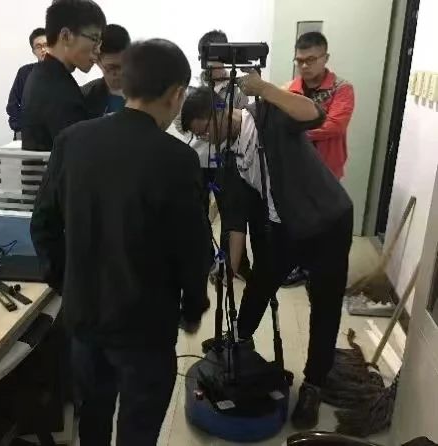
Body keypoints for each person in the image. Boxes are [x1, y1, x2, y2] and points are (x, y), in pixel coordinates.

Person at [30, 39, 211, 445]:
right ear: (176, 93)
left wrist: (66, 283)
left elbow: (43, 224)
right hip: (144, 327)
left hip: (84, 318)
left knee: (92, 420)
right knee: (138, 429)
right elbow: (193, 249)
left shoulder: (72, 140)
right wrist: (192, 307)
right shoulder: (176, 158)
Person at [180, 75, 353, 430]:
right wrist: (229, 267)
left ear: (220, 110)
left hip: (326, 221)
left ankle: (314, 385)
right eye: (200, 136)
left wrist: (266, 90)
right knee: (260, 283)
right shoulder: (229, 158)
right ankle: (238, 340)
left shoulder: (268, 115)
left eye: (205, 130)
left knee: (324, 304)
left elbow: (315, 115)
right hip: (283, 226)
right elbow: (235, 222)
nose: (206, 139)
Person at [283, 31, 355, 287]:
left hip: (327, 168)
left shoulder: (342, 89)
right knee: (297, 216)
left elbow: (335, 125)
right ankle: (299, 264)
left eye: (311, 60)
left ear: (325, 58)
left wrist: (296, 129)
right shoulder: (289, 90)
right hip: (296, 168)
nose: (304, 66)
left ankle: (317, 268)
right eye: (300, 60)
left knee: (325, 220)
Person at [194, 30, 251, 281]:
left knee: (231, 214)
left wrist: (221, 131)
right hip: (199, 160)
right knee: (199, 214)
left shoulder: (238, 87)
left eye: (218, 58)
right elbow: (181, 119)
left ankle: (233, 264)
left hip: (227, 160)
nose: (213, 64)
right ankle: (207, 260)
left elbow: (242, 121)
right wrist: (200, 131)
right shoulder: (196, 87)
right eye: (208, 58)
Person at [21, 0, 105, 151]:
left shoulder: (42, 74)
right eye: (94, 39)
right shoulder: (58, 90)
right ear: (66, 36)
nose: (98, 50)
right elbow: (79, 155)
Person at [6, 28, 48, 139]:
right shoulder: (24, 73)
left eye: (46, 45)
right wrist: (20, 129)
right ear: (34, 51)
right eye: (38, 46)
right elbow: (12, 105)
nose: (43, 49)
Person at [81, 24, 130, 118]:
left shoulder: (149, 94)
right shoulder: (84, 97)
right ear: (97, 61)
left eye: (125, 63)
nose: (120, 72)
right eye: (112, 67)